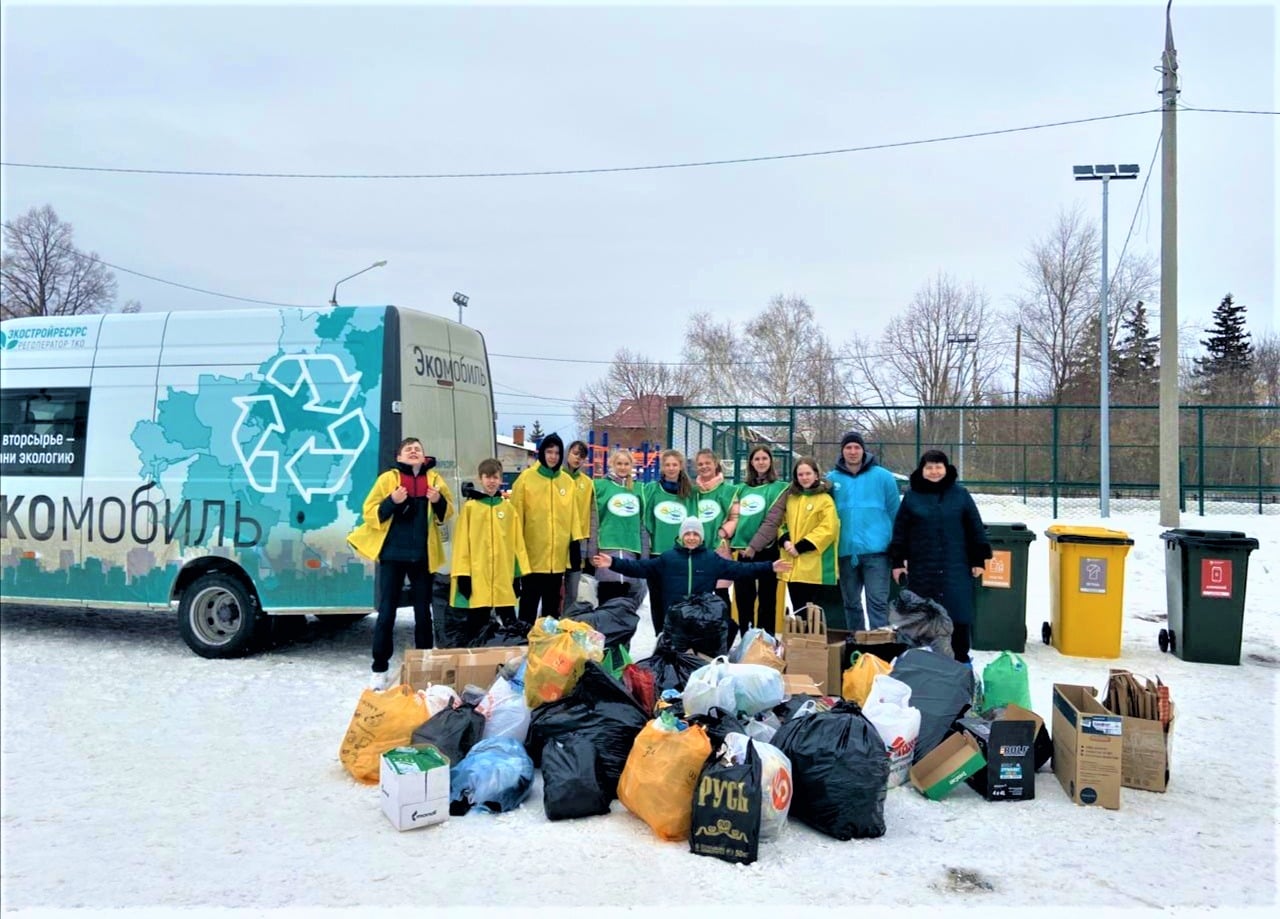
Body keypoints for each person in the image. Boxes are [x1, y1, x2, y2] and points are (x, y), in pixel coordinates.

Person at [347, 436, 453, 689]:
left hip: (421, 557)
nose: (414, 452)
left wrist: (438, 501)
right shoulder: (388, 479)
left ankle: (425, 666)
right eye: (409, 449)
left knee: (423, 615)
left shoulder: (435, 480)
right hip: (392, 556)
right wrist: (391, 501)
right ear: (399, 457)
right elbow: (369, 512)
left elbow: (447, 514)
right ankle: (379, 670)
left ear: (424, 456)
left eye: (418, 449)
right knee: (386, 614)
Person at [593, 517, 790, 630]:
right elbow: (640, 568)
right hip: (675, 618)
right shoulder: (668, 558)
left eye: (696, 534)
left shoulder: (711, 559)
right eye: (688, 533)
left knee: (729, 628)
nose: (691, 537)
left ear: (701, 537)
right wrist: (613, 562)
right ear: (681, 536)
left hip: (701, 618)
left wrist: (769, 567)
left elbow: (741, 569)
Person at [888, 449, 992, 664]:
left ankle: (960, 663)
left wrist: (978, 559)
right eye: (929, 467)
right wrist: (898, 561)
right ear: (922, 470)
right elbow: (900, 531)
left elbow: (974, 526)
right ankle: (922, 664)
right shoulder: (912, 497)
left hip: (956, 566)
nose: (934, 471)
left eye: (938, 466)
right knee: (922, 616)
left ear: (946, 469)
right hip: (922, 568)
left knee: (958, 614)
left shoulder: (960, 494)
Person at [445, 458, 531, 647]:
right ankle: (475, 664)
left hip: (503, 580)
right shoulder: (470, 509)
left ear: (501, 480)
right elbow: (461, 546)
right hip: (478, 580)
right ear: (480, 478)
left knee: (510, 627)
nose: (491, 481)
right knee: (476, 626)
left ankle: (508, 663)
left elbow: (517, 545)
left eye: (495, 477)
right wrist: (463, 575)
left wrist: (517, 576)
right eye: (487, 477)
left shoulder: (508, 510)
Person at [747, 456, 841, 625]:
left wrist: (801, 546)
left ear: (816, 475)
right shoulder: (792, 498)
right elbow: (782, 523)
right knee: (798, 610)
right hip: (792, 565)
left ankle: (811, 646)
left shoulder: (825, 500)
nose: (804, 477)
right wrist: (786, 541)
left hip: (813, 567)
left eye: (808, 473)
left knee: (812, 613)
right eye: (800, 474)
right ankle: (800, 645)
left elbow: (828, 529)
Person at [509, 432, 586, 625]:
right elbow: (515, 520)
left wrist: (574, 544)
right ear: (542, 453)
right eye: (549, 451)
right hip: (532, 560)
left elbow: (573, 515)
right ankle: (524, 647)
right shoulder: (526, 479)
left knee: (551, 614)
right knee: (528, 609)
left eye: (557, 453)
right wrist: (515, 558)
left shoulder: (567, 482)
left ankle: (548, 651)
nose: (553, 456)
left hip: (557, 560)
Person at [828, 431, 901, 630]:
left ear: (863, 450)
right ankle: (856, 646)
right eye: (848, 447)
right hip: (845, 552)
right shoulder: (830, 480)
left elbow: (896, 515)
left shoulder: (884, 477)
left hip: (877, 552)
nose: (853, 452)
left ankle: (879, 650)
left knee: (877, 604)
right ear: (842, 451)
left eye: (857, 447)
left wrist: (898, 551)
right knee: (851, 605)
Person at [731, 445, 789, 635]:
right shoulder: (740, 489)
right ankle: (745, 637)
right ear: (751, 463)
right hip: (742, 550)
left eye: (764, 458)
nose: (761, 462)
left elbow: (772, 522)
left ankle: (766, 640)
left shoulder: (780, 488)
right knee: (743, 597)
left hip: (766, 550)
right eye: (757, 459)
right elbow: (732, 517)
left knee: (767, 598)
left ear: (770, 461)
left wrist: (754, 546)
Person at [642, 449, 699, 635]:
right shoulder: (652, 489)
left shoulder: (690, 492)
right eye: (667, 464)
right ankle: (660, 638)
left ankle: (678, 640)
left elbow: (693, 521)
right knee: (657, 600)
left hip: (681, 555)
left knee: (678, 600)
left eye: (675, 464)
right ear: (662, 467)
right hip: (658, 554)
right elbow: (646, 519)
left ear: (681, 466)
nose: (671, 468)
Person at [588, 448, 647, 605]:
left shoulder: (639, 489)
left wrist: (644, 556)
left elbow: (642, 524)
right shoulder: (600, 487)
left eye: (626, 464)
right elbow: (594, 521)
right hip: (607, 548)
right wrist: (592, 551)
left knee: (628, 602)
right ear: (612, 464)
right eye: (619, 463)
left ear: (631, 466)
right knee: (607, 597)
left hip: (630, 550)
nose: (622, 467)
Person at [692, 448, 740, 611]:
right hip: (696, 548)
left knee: (721, 591)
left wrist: (723, 533)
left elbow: (735, 517)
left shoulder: (729, 491)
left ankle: (724, 630)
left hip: (719, 547)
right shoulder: (692, 492)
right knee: (697, 592)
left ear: (715, 464)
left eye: (707, 463)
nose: (704, 467)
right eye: (700, 464)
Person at [562, 439, 595, 608]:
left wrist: (590, 542)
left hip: (579, 541)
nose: (577, 458)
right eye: (575, 453)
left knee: (573, 589)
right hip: (558, 541)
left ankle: (569, 620)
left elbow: (592, 513)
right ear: (567, 453)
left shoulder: (587, 483)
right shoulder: (557, 478)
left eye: (582, 456)